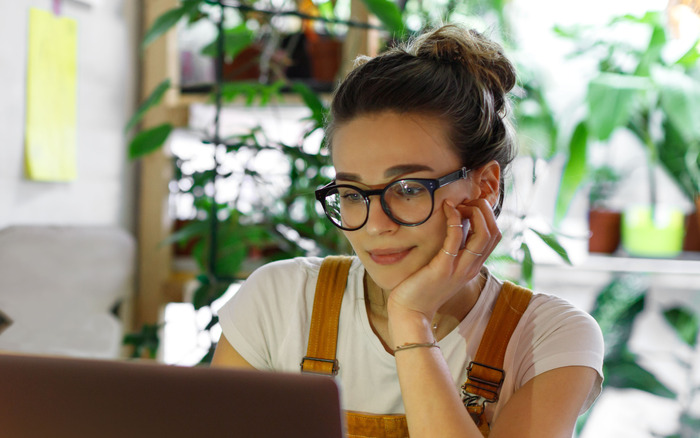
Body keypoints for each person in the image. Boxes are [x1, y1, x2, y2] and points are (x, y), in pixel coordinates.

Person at [211, 24, 604, 437]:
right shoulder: (280, 301)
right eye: (351, 192)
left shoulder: (548, 338)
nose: (376, 225)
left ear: (484, 186)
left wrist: (411, 319)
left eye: (408, 189)